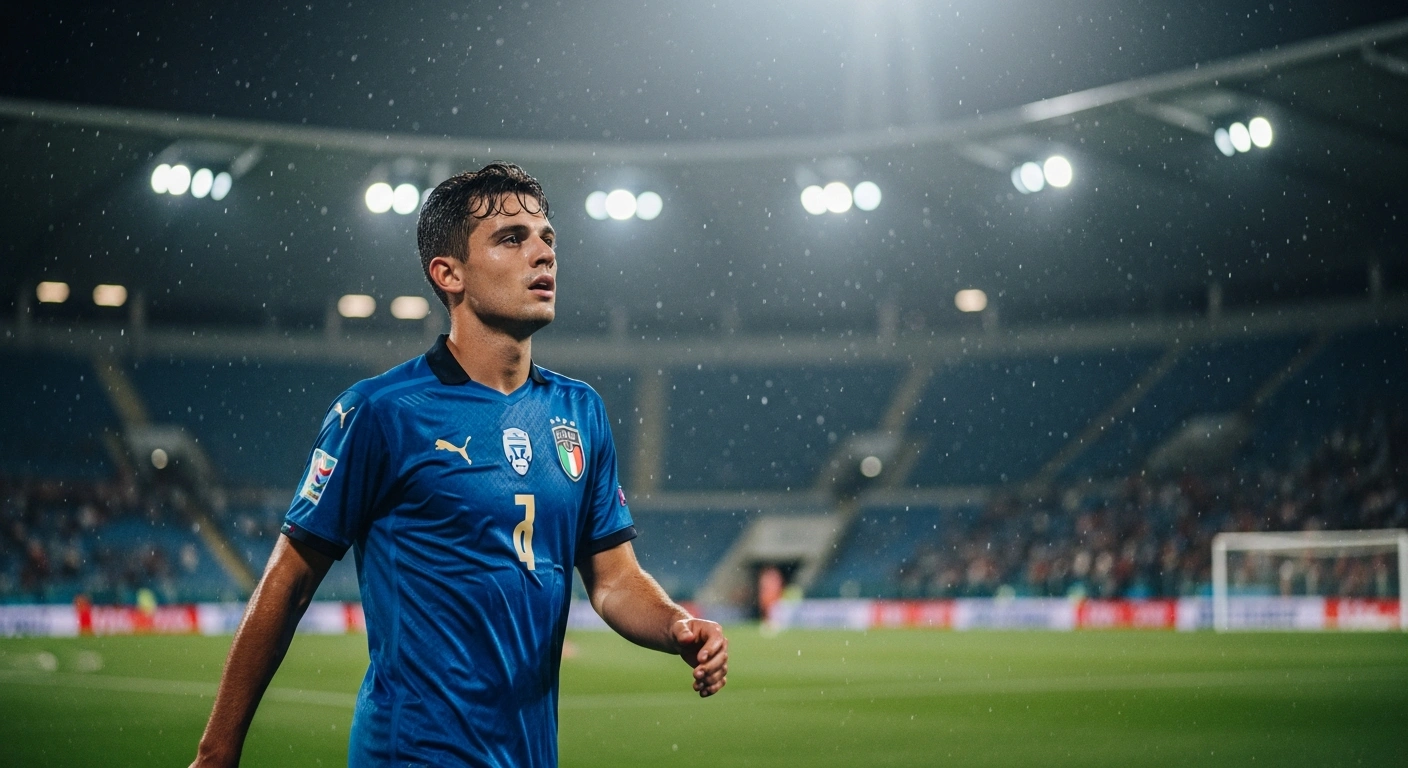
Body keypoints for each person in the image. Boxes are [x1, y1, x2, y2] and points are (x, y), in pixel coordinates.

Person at [191, 162, 728, 767]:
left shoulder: (580, 412)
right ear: (448, 274)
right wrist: (218, 752)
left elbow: (614, 579)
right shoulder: (381, 412)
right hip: (413, 753)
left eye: (547, 237)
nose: (542, 253)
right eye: (511, 239)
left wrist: (678, 625)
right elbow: (288, 581)